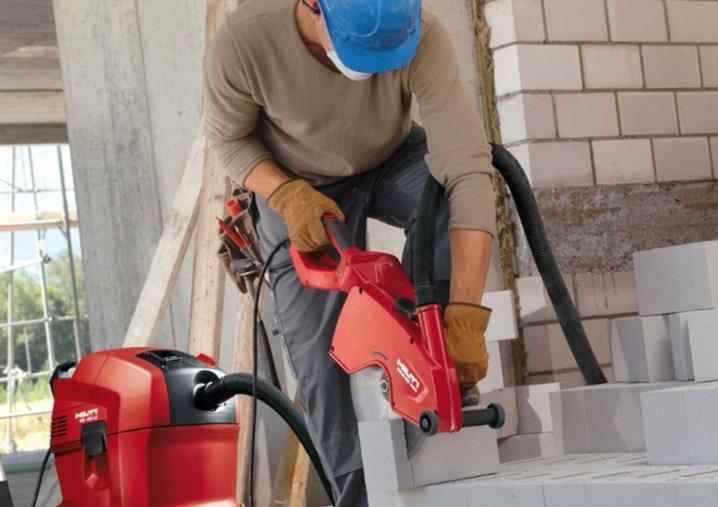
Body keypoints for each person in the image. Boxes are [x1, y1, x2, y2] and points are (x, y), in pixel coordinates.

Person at [203, 0, 497, 504]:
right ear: (312, 5)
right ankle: (363, 495)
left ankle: (433, 375)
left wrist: (465, 315)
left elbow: (466, 168)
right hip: (296, 182)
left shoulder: (422, 33)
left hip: (390, 160)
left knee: (445, 205)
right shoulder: (244, 40)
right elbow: (228, 138)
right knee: (320, 354)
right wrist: (283, 192)